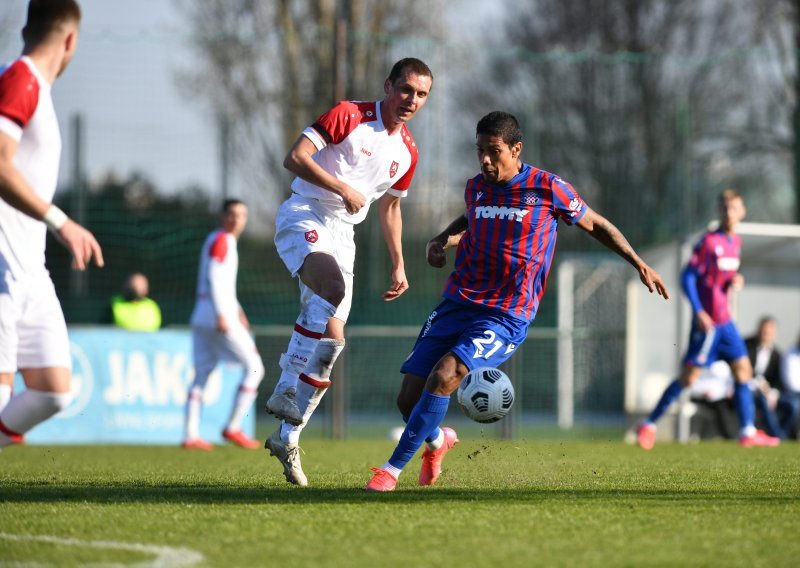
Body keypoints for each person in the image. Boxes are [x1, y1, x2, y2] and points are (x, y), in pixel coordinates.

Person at [365, 111, 669, 491]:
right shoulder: (476, 187)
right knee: (408, 401)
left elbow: (597, 225)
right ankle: (438, 441)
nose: (485, 160)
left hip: (505, 313)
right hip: (457, 303)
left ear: (516, 149)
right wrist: (441, 239)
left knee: (446, 375)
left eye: (493, 151)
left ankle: (390, 471)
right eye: (480, 151)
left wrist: (638, 263)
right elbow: (473, 219)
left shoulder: (548, 188)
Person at [262, 57, 433, 486]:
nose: (412, 100)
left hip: (344, 237)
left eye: (421, 94)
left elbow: (391, 208)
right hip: (306, 213)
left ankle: (287, 435)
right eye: (406, 89)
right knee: (331, 287)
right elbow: (295, 157)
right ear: (388, 85)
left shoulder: (407, 152)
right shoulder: (350, 115)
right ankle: (285, 386)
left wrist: (399, 263)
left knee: (332, 343)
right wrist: (341, 187)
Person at [0, 0, 104, 450]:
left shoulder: (35, 89)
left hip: (30, 271)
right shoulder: (21, 78)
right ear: (70, 40)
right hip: (3, 268)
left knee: (54, 388)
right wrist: (63, 222)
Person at [636, 190, 780, 449]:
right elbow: (687, 277)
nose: (728, 212)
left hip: (727, 324)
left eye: (733, 208)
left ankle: (747, 430)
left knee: (744, 371)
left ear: (742, 211)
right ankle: (649, 424)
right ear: (719, 211)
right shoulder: (708, 241)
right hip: (709, 326)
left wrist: (735, 279)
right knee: (689, 378)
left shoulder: (735, 242)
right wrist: (699, 311)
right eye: (724, 208)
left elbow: (720, 278)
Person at [183, 199, 265, 451]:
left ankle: (190, 435)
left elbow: (220, 283)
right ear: (222, 216)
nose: (236, 219)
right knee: (255, 368)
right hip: (218, 317)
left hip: (202, 315)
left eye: (241, 215)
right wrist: (223, 313)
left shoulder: (215, 238)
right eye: (232, 214)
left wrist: (237, 310)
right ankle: (232, 426)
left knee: (201, 375)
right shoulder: (224, 240)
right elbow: (215, 277)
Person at [745, 316, 797, 439]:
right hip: (750, 389)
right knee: (762, 400)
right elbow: (743, 371)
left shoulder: (777, 354)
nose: (766, 334)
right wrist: (758, 384)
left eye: (769, 332)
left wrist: (773, 393)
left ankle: (781, 434)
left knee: (793, 405)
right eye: (764, 331)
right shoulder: (746, 346)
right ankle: (778, 437)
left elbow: (778, 380)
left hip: (768, 393)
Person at [780, 334, 800, 438]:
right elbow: (791, 383)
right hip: (789, 394)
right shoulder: (790, 353)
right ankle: (782, 435)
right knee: (795, 405)